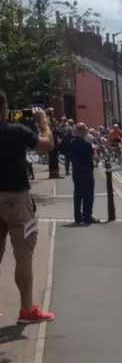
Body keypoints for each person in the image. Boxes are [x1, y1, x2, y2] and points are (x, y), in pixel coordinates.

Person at [0, 92, 55, 323]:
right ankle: (26, 311)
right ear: (3, 107)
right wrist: (43, 121)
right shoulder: (16, 131)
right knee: (24, 256)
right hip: (17, 200)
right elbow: (47, 145)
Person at [67, 123, 99, 225]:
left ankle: (77, 217)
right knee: (88, 195)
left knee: (78, 195)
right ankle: (87, 217)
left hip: (76, 171)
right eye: (85, 130)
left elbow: (67, 156)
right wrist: (96, 155)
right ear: (80, 131)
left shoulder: (71, 143)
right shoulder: (86, 144)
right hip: (86, 172)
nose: (87, 132)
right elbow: (95, 158)